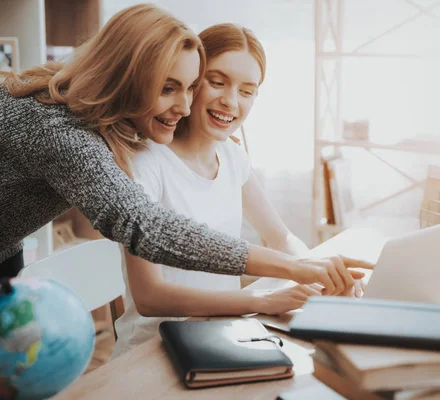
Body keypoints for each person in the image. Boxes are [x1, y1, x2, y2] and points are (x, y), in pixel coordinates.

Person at [0, 4, 371, 292]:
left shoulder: (102, 114)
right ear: (124, 77)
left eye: (191, 87)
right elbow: (146, 226)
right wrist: (292, 267)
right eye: (167, 88)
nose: (185, 106)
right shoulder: (58, 129)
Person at [114, 23, 356, 356]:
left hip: (224, 335)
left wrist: (321, 271)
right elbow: (149, 298)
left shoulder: (232, 156)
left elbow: (281, 237)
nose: (230, 101)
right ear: (193, 80)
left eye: (247, 90)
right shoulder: (146, 166)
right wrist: (260, 300)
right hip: (154, 351)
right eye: (217, 82)